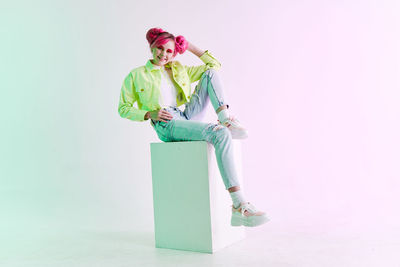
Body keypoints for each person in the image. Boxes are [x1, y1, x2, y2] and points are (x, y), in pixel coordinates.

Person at [118, 27, 269, 227]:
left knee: (210, 74)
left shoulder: (179, 69)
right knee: (220, 134)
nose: (164, 54)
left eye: (169, 51)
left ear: (174, 52)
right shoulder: (137, 75)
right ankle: (239, 204)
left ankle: (224, 118)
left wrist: (188, 46)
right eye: (160, 49)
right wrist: (148, 113)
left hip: (184, 116)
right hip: (166, 122)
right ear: (152, 47)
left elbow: (213, 65)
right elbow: (123, 108)